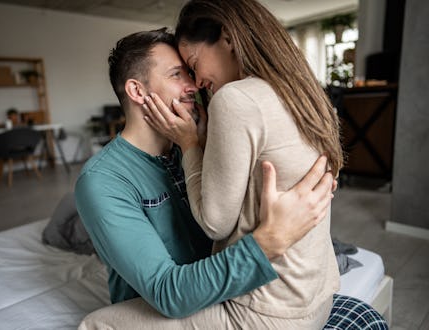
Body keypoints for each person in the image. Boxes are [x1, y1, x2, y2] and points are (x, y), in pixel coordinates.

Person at [75, 29, 386, 329]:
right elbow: (169, 292)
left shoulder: (197, 144)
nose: (194, 85)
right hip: (174, 309)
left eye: (191, 72)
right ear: (137, 91)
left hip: (232, 296)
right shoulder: (103, 180)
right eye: (176, 75)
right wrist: (269, 241)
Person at [142, 0, 343, 328]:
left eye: (193, 65)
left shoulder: (236, 99)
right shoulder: (306, 95)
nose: (197, 81)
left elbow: (214, 223)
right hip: (317, 297)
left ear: (227, 38)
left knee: (99, 323)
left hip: (268, 312)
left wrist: (189, 143)